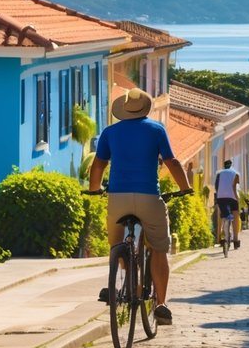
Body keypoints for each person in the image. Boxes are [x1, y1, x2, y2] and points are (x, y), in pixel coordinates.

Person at [89, 88, 191, 326]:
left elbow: (98, 165)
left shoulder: (110, 132)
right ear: (145, 108)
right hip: (149, 197)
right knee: (159, 248)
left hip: (117, 197)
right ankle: (161, 304)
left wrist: (94, 189)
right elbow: (172, 162)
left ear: (123, 109)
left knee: (116, 244)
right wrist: (185, 188)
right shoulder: (156, 129)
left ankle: (129, 281)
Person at [213, 159, 241, 249]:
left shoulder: (219, 174)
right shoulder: (236, 173)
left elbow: (216, 187)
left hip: (221, 197)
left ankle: (219, 238)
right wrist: (237, 199)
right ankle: (236, 240)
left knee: (221, 215)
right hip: (232, 197)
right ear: (231, 165)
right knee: (235, 216)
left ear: (224, 166)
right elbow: (235, 186)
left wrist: (218, 197)